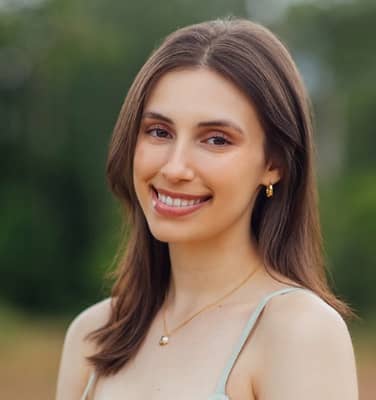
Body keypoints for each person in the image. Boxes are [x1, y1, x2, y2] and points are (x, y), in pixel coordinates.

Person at [56, 17, 359, 400]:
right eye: (159, 132)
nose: (174, 168)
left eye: (216, 139)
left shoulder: (297, 331)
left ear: (274, 164)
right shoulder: (92, 334)